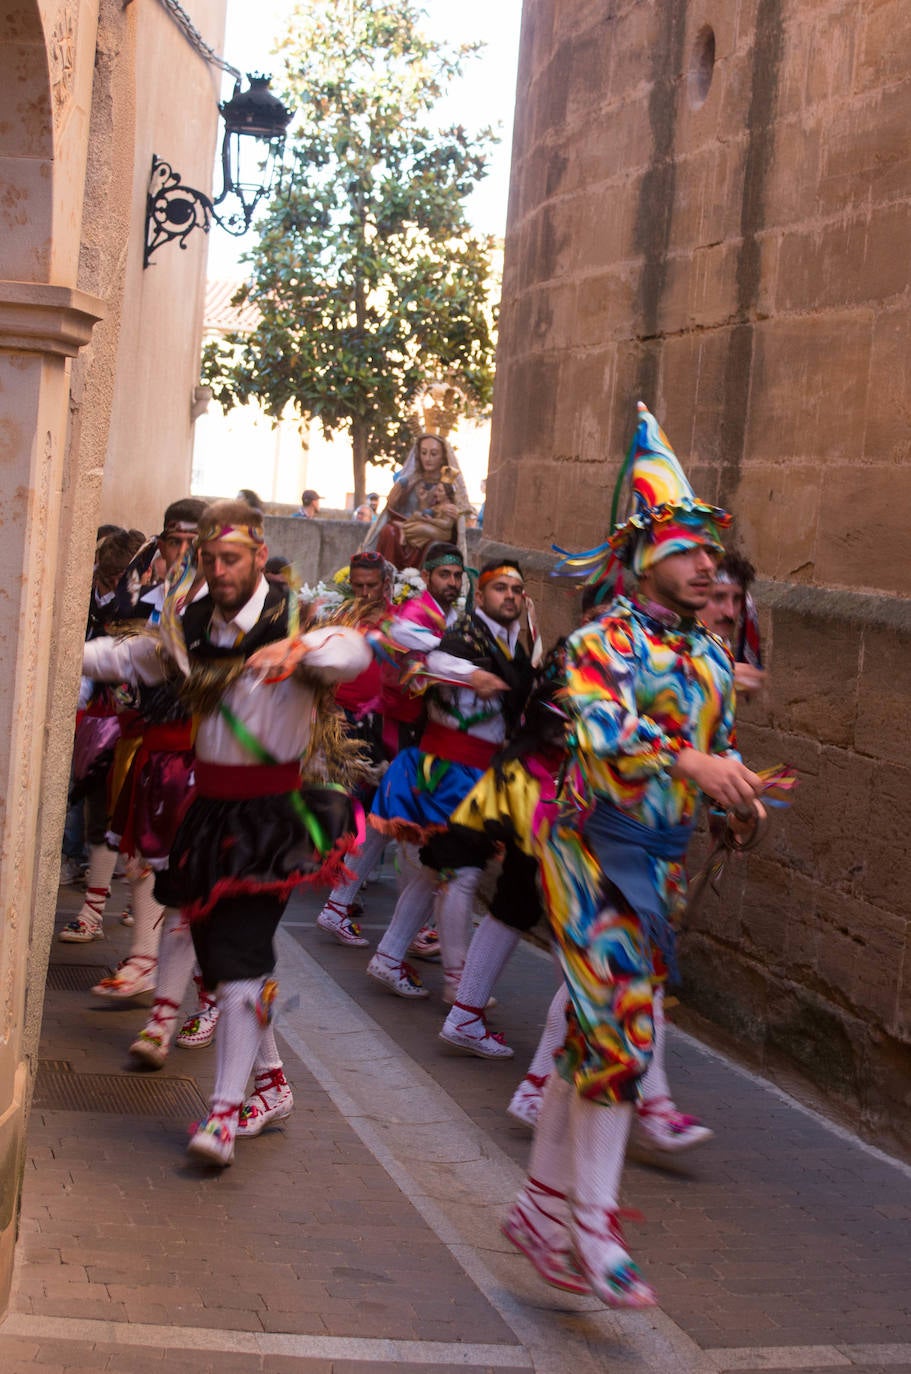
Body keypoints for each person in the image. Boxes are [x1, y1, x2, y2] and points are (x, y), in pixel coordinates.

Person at [503, 403, 767, 1308]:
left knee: (594, 1038)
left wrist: (732, 805)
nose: (707, 566)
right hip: (587, 852)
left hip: (657, 862)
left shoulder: (709, 656)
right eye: (689, 550)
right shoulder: (597, 642)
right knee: (621, 1039)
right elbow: (599, 725)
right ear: (646, 553)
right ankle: (594, 1226)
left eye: (712, 553)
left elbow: (714, 751)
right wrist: (685, 758)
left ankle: (539, 1210)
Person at [80, 499, 372, 1166]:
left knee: (240, 960)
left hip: (270, 820)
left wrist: (298, 647)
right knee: (217, 960)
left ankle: (222, 1116)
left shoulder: (293, 618)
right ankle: (269, 1084)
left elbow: (351, 649)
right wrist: (52, 647)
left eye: (230, 558)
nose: (218, 569)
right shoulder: (189, 627)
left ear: (259, 555)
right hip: (207, 815)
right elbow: (133, 660)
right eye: (209, 558)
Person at [364, 559, 539, 1017]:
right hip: (448, 772)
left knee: (435, 869)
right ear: (479, 597)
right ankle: (460, 985)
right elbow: (435, 657)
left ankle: (387, 957)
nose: (510, 596)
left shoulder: (515, 645)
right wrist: (471, 676)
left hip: (480, 774)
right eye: (500, 588)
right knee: (460, 875)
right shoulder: (465, 635)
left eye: (517, 589)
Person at [315, 542, 465, 950]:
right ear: (428, 576)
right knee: (408, 825)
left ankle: (340, 906)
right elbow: (408, 677)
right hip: (397, 728)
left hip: (402, 727)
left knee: (387, 820)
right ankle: (409, 930)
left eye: (456, 575)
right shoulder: (413, 616)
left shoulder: (437, 615)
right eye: (443, 574)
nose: (451, 581)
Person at [361, 433, 471, 570]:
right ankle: (389, 576)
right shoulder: (411, 480)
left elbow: (461, 512)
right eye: (424, 453)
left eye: (433, 454)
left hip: (435, 533)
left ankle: (423, 582)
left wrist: (456, 513)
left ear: (443, 456)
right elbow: (392, 507)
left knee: (433, 544)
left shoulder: (449, 484)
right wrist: (399, 491)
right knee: (388, 531)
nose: (428, 458)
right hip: (409, 523)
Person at [702, 550, 765, 693]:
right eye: (718, 597)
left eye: (736, 599)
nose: (730, 612)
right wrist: (722, 675)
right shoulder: (656, 645)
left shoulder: (723, 649)